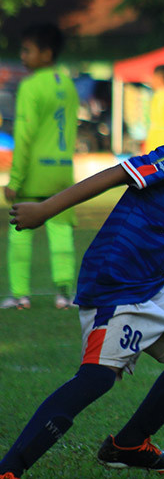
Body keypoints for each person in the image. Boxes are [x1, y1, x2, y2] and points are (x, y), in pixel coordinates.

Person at [0, 51, 164, 479]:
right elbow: (122, 172)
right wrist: (44, 210)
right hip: (117, 283)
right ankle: (8, 470)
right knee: (96, 378)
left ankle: (128, 444)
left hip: (152, 283)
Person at [2, 23, 80, 310]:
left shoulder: (31, 86)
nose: (22, 55)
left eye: (27, 50)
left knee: (19, 232)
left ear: (46, 54)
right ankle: (64, 294)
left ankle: (20, 295)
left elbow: (24, 136)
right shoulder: (68, 83)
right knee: (61, 232)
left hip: (34, 172)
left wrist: (15, 180)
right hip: (62, 171)